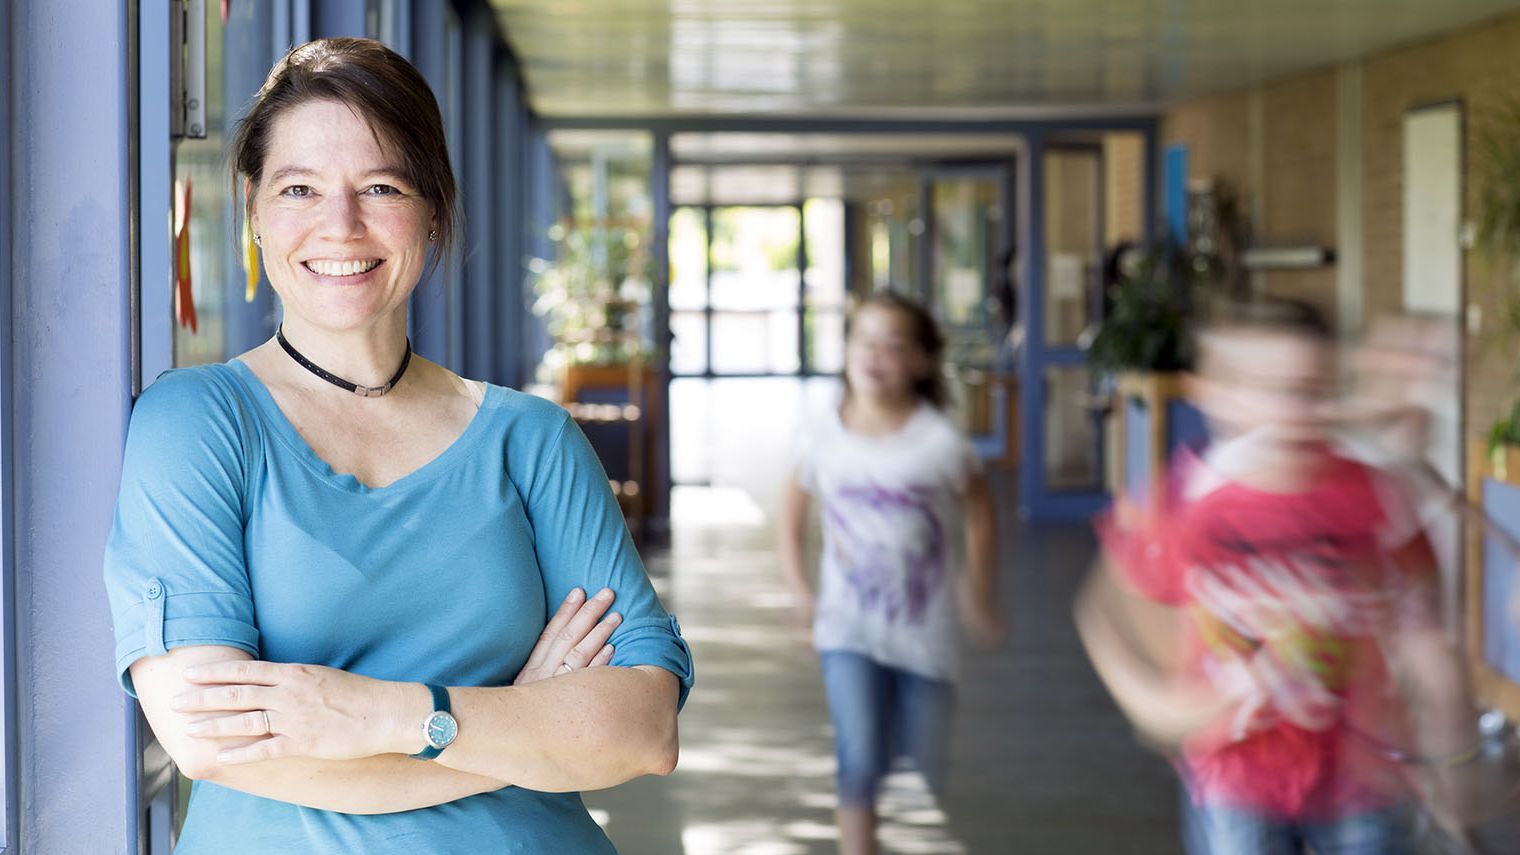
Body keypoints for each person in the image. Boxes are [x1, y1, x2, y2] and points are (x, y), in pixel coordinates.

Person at [102, 38, 692, 854]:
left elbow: (643, 729)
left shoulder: (530, 439)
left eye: (380, 186)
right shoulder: (199, 423)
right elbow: (212, 739)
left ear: (434, 209)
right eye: (299, 187)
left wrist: (378, 713)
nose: (339, 225)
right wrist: (518, 730)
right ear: (254, 210)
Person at [1075, 299, 1475, 855]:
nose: (1294, 411)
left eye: (1312, 390)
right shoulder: (1190, 502)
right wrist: (1158, 702)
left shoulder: (1373, 493)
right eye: (1270, 390)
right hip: (1238, 778)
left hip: (1359, 776)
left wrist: (1443, 735)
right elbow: (1108, 609)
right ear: (1213, 394)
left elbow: (1424, 600)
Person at [777, 291, 1006, 855]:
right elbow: (791, 512)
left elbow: (980, 511)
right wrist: (801, 593)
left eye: (894, 345)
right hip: (846, 628)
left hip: (924, 636)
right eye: (865, 341)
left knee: (917, 771)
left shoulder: (939, 443)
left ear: (923, 362)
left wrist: (977, 591)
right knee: (858, 758)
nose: (876, 355)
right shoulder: (820, 435)